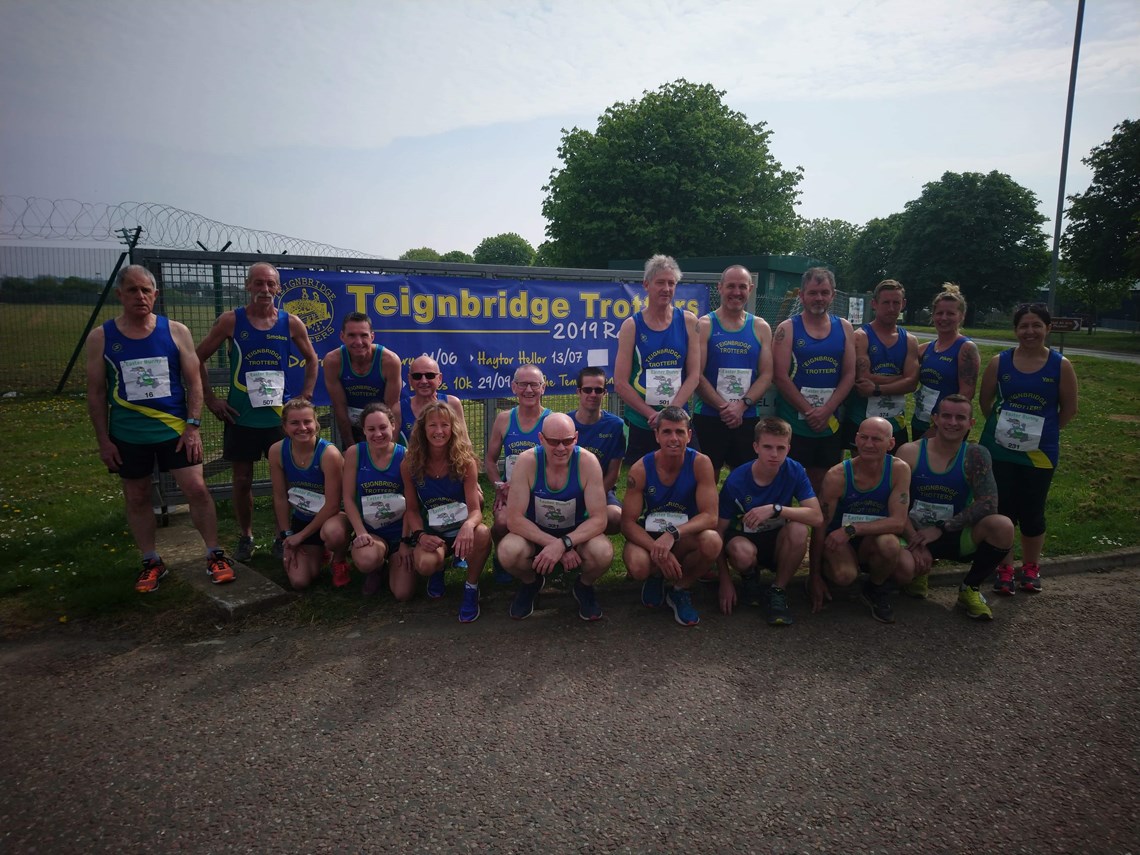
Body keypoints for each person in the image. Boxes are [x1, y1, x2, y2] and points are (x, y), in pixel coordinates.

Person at [85, 264, 235, 592]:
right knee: (137, 496)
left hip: (176, 431)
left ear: (155, 294)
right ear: (120, 295)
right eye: (132, 290)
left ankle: (214, 553)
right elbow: (95, 393)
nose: (140, 296)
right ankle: (151, 560)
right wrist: (104, 441)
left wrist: (193, 426)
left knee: (196, 489)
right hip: (128, 434)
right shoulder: (102, 337)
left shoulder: (176, 331)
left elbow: (194, 382)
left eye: (146, 290)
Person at [196, 262, 318, 562]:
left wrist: (304, 397)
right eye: (259, 284)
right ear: (248, 286)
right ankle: (246, 535)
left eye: (270, 285)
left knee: (286, 479)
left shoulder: (291, 323)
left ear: (278, 288)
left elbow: (312, 360)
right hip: (242, 416)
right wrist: (211, 399)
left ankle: (282, 535)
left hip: (279, 419)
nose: (265, 290)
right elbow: (196, 358)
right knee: (241, 479)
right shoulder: (231, 321)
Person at [979, 303, 1079, 595]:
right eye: (1024, 326)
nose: (1030, 331)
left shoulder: (1061, 365)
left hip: (1040, 453)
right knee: (1004, 510)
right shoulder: (1000, 362)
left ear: (1047, 328)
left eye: (1036, 325)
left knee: (1033, 511)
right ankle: (1005, 568)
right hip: (1001, 450)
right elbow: (985, 402)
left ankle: (1031, 567)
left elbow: (1069, 409)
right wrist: (1003, 429)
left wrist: (1043, 432)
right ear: (1015, 330)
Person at [895, 394, 1015, 620]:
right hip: (912, 532)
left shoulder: (976, 455)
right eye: (946, 416)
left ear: (971, 423)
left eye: (960, 418)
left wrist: (942, 527)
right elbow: (895, 504)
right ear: (935, 419)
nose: (952, 422)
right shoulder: (909, 452)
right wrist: (916, 541)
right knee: (903, 569)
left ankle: (970, 588)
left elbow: (989, 503)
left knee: (1003, 526)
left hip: (951, 532)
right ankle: (919, 570)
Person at [499, 413, 614, 621]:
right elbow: (514, 519)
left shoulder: (588, 462)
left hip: (575, 533)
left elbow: (599, 518)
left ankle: (583, 586)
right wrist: (554, 544)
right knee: (508, 551)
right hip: (536, 533)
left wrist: (564, 543)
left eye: (567, 441)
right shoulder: (527, 462)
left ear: (576, 438)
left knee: (602, 552)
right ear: (541, 439)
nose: (561, 448)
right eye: (553, 442)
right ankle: (531, 582)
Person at [621, 407, 722, 627]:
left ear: (689, 435)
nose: (673, 438)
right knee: (638, 565)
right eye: (667, 432)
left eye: (679, 432)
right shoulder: (641, 468)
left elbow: (710, 516)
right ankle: (655, 576)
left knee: (712, 541)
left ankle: (680, 588)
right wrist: (658, 551)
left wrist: (672, 534)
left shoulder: (701, 463)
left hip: (684, 536)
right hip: (651, 535)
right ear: (656, 435)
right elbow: (627, 523)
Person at [716, 417, 822, 626]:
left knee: (799, 530)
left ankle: (778, 590)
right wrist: (725, 580)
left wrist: (776, 509)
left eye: (780, 448)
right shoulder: (736, 480)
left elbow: (816, 517)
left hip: (776, 541)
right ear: (756, 447)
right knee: (741, 552)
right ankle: (749, 577)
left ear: (788, 448)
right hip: (745, 540)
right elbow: (718, 531)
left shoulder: (795, 470)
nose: (774, 454)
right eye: (767, 447)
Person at [810, 416, 913, 624]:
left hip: (868, 537)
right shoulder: (837, 475)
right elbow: (820, 525)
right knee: (844, 577)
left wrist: (852, 529)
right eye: (863, 437)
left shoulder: (899, 470)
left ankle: (874, 588)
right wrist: (813, 577)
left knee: (905, 571)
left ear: (891, 443)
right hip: (838, 541)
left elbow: (898, 522)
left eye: (876, 439)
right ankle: (828, 568)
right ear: (855, 439)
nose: (868, 444)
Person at [402, 400, 492, 623]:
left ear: (453, 429)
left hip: (460, 532)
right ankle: (438, 568)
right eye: (432, 425)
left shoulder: (465, 461)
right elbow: (411, 510)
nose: (439, 431)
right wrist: (421, 536)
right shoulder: (410, 463)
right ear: (423, 429)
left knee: (482, 533)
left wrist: (468, 526)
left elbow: (475, 510)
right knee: (424, 564)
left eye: (445, 425)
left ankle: (471, 587)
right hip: (434, 533)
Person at [772, 267, 856, 494]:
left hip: (829, 424)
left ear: (833, 295)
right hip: (795, 422)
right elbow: (779, 376)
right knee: (787, 483)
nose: (818, 298)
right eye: (813, 292)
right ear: (802, 295)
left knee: (824, 484)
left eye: (824, 292)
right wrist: (810, 411)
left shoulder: (845, 328)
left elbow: (849, 374)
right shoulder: (787, 329)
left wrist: (827, 410)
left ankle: (819, 529)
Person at [614, 254, 701, 465]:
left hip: (679, 419)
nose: (667, 289)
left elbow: (694, 374)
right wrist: (652, 415)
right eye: (660, 282)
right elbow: (621, 382)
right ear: (646, 285)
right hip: (644, 421)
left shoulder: (688, 321)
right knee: (641, 479)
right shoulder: (631, 326)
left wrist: (673, 411)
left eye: (671, 283)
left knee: (689, 473)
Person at [694, 264, 775, 476]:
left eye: (742, 287)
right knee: (705, 476)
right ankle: (710, 511)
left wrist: (741, 406)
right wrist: (725, 407)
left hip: (746, 416)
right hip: (710, 415)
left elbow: (766, 374)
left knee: (747, 476)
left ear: (750, 288)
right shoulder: (704, 325)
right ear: (720, 288)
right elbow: (697, 374)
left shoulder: (760, 327)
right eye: (731, 286)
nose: (736, 292)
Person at [268, 397, 350, 591]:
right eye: (295, 423)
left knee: (334, 533)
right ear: (285, 426)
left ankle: (338, 560)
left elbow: (332, 505)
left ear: (316, 424)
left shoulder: (329, 454)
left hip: (332, 518)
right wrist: (287, 536)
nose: (302, 428)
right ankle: (319, 552)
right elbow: (280, 497)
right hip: (302, 518)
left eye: (307, 422)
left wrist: (301, 536)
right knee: (300, 581)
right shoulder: (277, 451)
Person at [484, 364, 551, 581]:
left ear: (543, 388)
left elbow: (560, 464)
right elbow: (490, 460)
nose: (528, 390)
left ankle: (543, 554)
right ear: (514, 387)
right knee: (501, 522)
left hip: (542, 491)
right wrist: (498, 488)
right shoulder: (504, 419)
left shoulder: (551, 421)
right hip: (509, 492)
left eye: (534, 384)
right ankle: (501, 558)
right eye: (523, 384)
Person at [340, 403, 411, 598]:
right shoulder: (355, 453)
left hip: (399, 533)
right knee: (366, 560)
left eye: (383, 427)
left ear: (393, 425)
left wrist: (405, 541)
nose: (377, 434)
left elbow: (412, 504)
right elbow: (347, 497)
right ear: (363, 430)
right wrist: (361, 533)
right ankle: (376, 568)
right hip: (371, 534)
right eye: (371, 429)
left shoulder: (404, 456)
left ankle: (393, 561)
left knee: (402, 594)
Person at [845, 279, 918, 452]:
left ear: (904, 304)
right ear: (874, 304)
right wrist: (902, 379)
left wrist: (877, 388)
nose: (891, 308)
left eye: (896, 303)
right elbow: (864, 381)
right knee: (861, 472)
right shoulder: (860, 337)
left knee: (893, 471)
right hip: (862, 421)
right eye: (886, 302)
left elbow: (912, 384)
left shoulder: (909, 340)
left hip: (895, 423)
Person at [322, 312, 401, 449]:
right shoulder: (333, 361)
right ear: (342, 337)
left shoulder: (389, 361)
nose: (358, 342)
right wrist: (350, 446)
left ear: (372, 336)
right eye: (352, 335)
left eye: (364, 335)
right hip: (350, 424)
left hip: (381, 424)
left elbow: (392, 407)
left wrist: (390, 447)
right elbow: (339, 406)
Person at [911, 283, 980, 439]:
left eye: (950, 313)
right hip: (920, 419)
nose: (943, 318)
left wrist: (938, 428)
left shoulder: (966, 348)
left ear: (961, 316)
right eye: (939, 313)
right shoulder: (926, 348)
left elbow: (967, 392)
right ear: (933, 315)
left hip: (948, 426)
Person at [568, 366, 626, 534]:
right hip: (567, 490)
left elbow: (614, 472)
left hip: (601, 489)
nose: (593, 394)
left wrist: (593, 498)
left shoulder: (615, 426)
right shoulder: (565, 423)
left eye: (598, 390)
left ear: (605, 393)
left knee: (615, 517)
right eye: (587, 389)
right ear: (578, 391)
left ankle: (591, 534)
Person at [398, 353, 467, 445]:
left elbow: (464, 442)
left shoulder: (453, 404)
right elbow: (392, 448)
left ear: (440, 378)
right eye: (417, 376)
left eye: (429, 375)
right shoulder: (399, 409)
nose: (423, 381)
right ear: (410, 380)